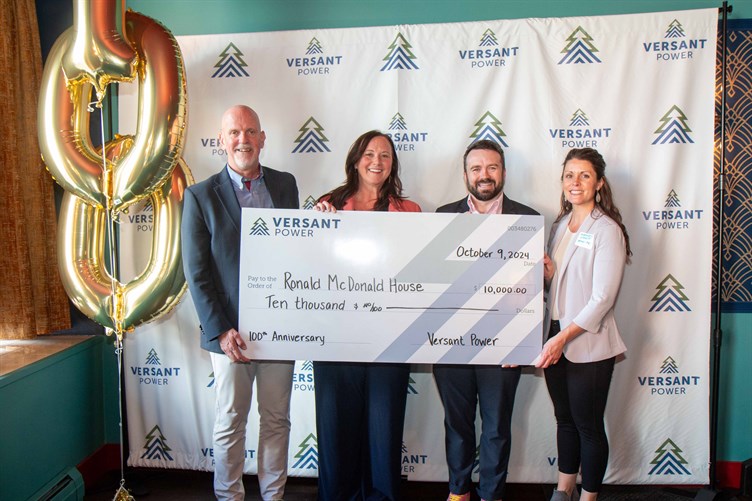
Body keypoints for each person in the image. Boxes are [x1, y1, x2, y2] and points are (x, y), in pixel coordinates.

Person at [181, 105, 299, 501]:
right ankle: (229, 497)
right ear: (221, 140)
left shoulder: (285, 186)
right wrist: (219, 329)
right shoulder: (199, 196)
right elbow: (196, 273)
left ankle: (273, 496)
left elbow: (297, 250)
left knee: (277, 420)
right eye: (234, 132)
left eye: (250, 131)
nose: (243, 139)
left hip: (278, 330)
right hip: (229, 333)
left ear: (263, 138)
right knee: (231, 421)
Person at [313, 130, 421, 501]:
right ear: (356, 160)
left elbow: (418, 275)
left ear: (393, 164)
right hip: (335, 338)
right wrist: (315, 229)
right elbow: (308, 267)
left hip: (389, 339)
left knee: (383, 431)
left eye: (385, 155)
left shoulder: (410, 212)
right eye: (370, 154)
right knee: (336, 431)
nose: (377, 161)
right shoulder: (327, 206)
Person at [433, 139, 539, 501]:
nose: (484, 175)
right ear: (465, 175)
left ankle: (492, 494)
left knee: (496, 428)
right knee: (457, 425)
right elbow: (429, 284)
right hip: (452, 343)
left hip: (503, 344)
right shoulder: (443, 217)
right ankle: (459, 492)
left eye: (492, 168)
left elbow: (533, 290)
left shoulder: (527, 219)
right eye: (476, 168)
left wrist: (524, 341)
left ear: (504, 173)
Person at [535, 148, 631, 501]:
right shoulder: (560, 226)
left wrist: (563, 338)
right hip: (555, 335)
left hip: (587, 341)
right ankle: (563, 490)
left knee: (588, 426)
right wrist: (548, 277)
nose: (575, 183)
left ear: (599, 183)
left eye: (584, 175)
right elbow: (561, 287)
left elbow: (603, 298)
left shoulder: (607, 230)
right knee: (564, 420)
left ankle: (588, 497)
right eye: (569, 176)